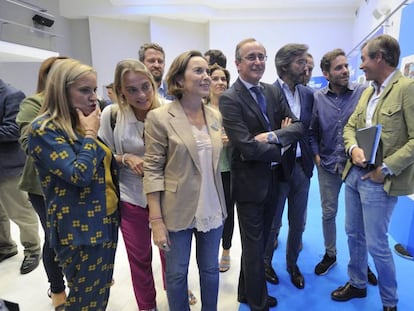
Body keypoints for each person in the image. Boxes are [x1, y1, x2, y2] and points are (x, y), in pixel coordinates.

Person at [219, 38, 304, 311]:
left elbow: (298, 127)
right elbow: (245, 146)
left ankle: (246, 292)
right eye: (251, 57)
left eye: (261, 56)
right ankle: (258, 303)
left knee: (262, 241)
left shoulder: (272, 91)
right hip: (249, 185)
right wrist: (281, 146)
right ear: (238, 63)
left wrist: (270, 136)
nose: (258, 62)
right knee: (255, 246)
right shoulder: (230, 98)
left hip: (275, 179)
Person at [28, 58, 119, 311]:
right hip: (79, 230)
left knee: (100, 295)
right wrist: (91, 134)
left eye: (94, 90)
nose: (93, 97)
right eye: (84, 90)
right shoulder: (44, 129)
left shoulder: (80, 122)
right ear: (61, 89)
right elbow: (79, 175)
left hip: (106, 220)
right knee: (83, 302)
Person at [331, 34, 414, 311]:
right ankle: (357, 283)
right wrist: (353, 148)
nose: (361, 66)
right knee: (353, 233)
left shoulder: (407, 89)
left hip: (380, 182)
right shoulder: (367, 92)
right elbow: (349, 127)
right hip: (354, 175)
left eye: (364, 59)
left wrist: (385, 169)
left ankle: (389, 303)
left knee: (377, 244)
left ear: (379, 58)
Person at [143, 50, 227, 311]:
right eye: (199, 71)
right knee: (177, 274)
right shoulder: (159, 117)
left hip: (212, 206)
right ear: (179, 80)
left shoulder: (215, 116)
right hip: (176, 209)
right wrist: (156, 220)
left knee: (211, 270)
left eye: (208, 72)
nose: (207, 77)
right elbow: (153, 170)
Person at [310, 49, 377, 286]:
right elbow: (311, 130)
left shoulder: (363, 93)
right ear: (326, 74)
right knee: (329, 213)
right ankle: (330, 254)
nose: (346, 71)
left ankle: (362, 264)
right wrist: (317, 156)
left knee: (359, 221)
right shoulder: (317, 98)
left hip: (355, 167)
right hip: (327, 165)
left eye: (346, 66)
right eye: (338, 68)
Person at [98, 59, 161, 311]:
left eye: (145, 86)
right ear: (120, 90)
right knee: (140, 259)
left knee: (173, 256)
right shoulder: (112, 114)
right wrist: (125, 158)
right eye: (132, 89)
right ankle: (147, 306)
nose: (141, 95)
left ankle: (175, 290)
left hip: (167, 197)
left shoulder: (168, 110)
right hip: (130, 197)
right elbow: (102, 153)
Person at [16, 56, 68, 310]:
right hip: (42, 188)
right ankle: (57, 288)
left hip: (75, 183)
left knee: (76, 235)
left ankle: (81, 278)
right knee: (54, 237)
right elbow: (28, 144)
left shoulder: (79, 101)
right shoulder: (34, 103)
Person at [263, 43, 314, 290]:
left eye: (305, 62)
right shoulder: (267, 93)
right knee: (273, 223)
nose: (306, 67)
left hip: (302, 169)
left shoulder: (308, 94)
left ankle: (293, 265)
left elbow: (307, 129)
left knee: (298, 223)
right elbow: (265, 133)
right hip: (277, 168)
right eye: (300, 62)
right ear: (285, 66)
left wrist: (311, 157)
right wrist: (282, 134)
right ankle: (265, 264)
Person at [0, 79, 41, 275]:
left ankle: (32, 250)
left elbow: (13, 130)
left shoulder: (11, 94)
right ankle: (5, 246)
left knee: (20, 212)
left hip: (9, 167)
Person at [206, 64, 235, 272]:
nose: (220, 82)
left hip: (230, 169)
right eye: (215, 78)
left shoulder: (233, 108)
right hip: (208, 170)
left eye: (223, 79)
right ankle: (210, 250)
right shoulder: (200, 110)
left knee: (228, 213)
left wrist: (232, 139)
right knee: (210, 211)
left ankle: (226, 249)